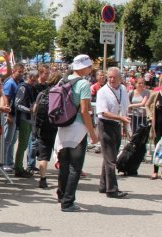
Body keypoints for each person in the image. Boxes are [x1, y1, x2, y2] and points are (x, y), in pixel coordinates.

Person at [55, 54, 98, 212]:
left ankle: (61, 195)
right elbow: (85, 111)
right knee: (75, 166)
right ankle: (68, 201)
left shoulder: (62, 81)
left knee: (64, 164)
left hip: (62, 126)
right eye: (89, 66)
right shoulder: (84, 84)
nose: (91, 69)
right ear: (84, 67)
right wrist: (93, 133)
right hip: (77, 127)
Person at [95, 67, 130, 198]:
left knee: (111, 156)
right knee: (111, 159)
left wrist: (125, 125)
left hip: (117, 123)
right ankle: (112, 189)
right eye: (109, 77)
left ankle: (104, 185)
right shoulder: (103, 91)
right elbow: (103, 112)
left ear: (120, 78)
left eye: (114, 77)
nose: (112, 79)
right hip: (106, 124)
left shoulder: (123, 89)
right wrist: (120, 118)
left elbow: (125, 108)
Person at [33, 72, 63, 188]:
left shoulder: (42, 93)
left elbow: (35, 108)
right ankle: (62, 178)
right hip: (57, 127)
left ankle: (43, 179)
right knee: (61, 153)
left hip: (43, 126)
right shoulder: (61, 94)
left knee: (43, 155)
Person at [12, 69, 39, 178]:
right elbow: (17, 104)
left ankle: (19, 167)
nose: (35, 82)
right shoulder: (23, 87)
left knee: (24, 145)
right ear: (30, 78)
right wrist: (29, 110)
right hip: (24, 119)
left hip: (29, 119)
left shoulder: (30, 88)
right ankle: (18, 168)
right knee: (22, 145)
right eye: (33, 80)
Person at [0, 63, 25, 171]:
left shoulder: (20, 82)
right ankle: (4, 162)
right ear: (14, 71)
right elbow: (6, 98)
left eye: (23, 72)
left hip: (16, 115)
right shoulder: (10, 83)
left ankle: (9, 162)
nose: (21, 74)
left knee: (13, 140)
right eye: (19, 71)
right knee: (7, 139)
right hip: (10, 114)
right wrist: (9, 114)